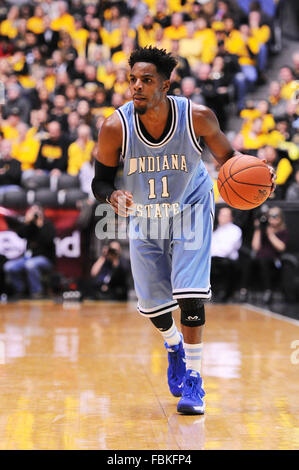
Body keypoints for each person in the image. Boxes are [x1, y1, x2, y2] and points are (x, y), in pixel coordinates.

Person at [92, 46, 275, 415]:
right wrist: (113, 197)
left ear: (165, 84)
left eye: (146, 80)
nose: (137, 87)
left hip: (191, 208)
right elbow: (100, 182)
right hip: (145, 214)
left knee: (189, 295)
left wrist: (258, 171)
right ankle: (173, 344)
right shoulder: (115, 126)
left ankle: (194, 379)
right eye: (132, 80)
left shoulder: (197, 117)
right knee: (153, 306)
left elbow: (229, 160)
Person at [4, 205, 56, 299]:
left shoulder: (48, 225)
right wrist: (28, 223)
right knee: (9, 267)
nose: (34, 214)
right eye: (31, 212)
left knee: (30, 264)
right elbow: (20, 234)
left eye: (36, 212)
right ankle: (20, 290)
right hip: (27, 258)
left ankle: (37, 292)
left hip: (45, 259)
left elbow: (48, 240)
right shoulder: (30, 226)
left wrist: (40, 226)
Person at [211, 207, 242, 301]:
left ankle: (224, 294)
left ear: (231, 218)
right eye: (221, 215)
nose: (222, 217)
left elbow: (227, 249)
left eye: (225, 215)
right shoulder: (214, 229)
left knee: (222, 264)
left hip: (227, 260)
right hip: (213, 259)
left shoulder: (235, 230)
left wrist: (214, 254)